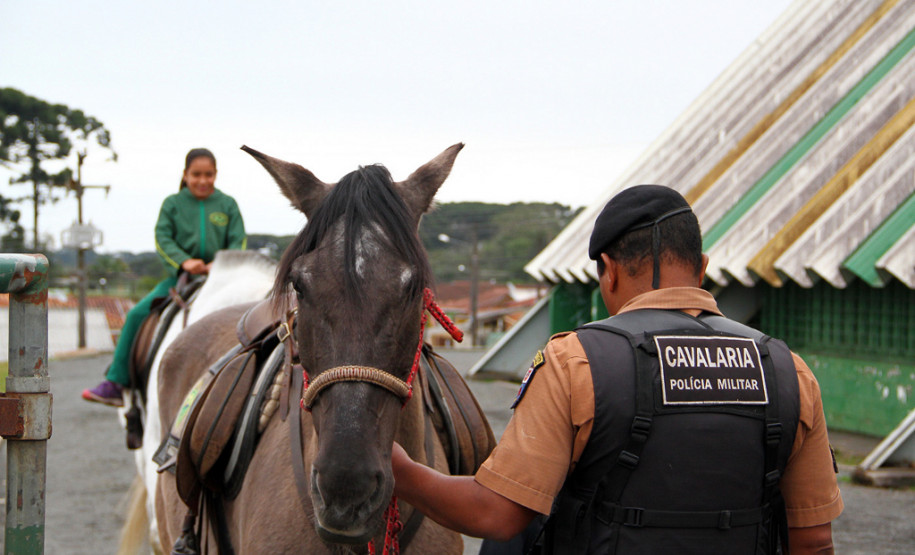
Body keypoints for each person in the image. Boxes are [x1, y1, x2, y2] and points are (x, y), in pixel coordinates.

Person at [392, 185, 843, 554]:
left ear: (608, 271)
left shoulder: (576, 361)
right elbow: (814, 540)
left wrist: (398, 468)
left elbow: (497, 514)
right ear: (702, 268)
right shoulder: (788, 371)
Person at [82, 148, 246, 407]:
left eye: (209, 174)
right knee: (136, 315)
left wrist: (221, 263)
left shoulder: (228, 205)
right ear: (185, 174)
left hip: (221, 279)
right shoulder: (173, 204)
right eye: (196, 174)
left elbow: (238, 240)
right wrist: (184, 262)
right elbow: (163, 239)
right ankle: (116, 381)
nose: (203, 180)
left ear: (216, 174)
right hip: (181, 280)